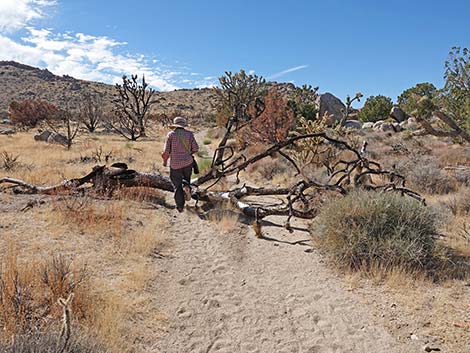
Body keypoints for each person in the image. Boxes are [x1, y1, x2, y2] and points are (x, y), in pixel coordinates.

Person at [162, 116, 199, 212]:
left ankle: (180, 206)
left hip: (175, 164)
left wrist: (165, 162)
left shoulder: (171, 135)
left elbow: (166, 152)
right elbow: (196, 148)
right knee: (186, 179)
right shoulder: (189, 134)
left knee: (177, 185)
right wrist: (188, 153)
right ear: (183, 125)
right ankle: (187, 187)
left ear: (175, 125)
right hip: (188, 163)